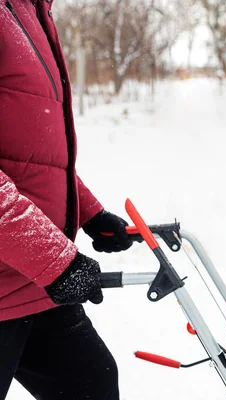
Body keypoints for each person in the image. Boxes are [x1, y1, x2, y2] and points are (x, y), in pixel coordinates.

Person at [1, 0, 133, 398]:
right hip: (24, 274)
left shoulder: (28, 10)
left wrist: (90, 212)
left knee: (91, 382)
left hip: (28, 283)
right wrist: (55, 261)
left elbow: (29, 155)